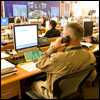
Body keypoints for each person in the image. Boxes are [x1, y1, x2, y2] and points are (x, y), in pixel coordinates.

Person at [31, 23, 96, 99]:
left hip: (53, 94)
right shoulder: (90, 55)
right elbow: (92, 77)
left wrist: (53, 48)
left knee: (32, 83)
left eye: (62, 34)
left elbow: (39, 64)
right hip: (74, 90)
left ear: (66, 38)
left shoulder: (58, 58)